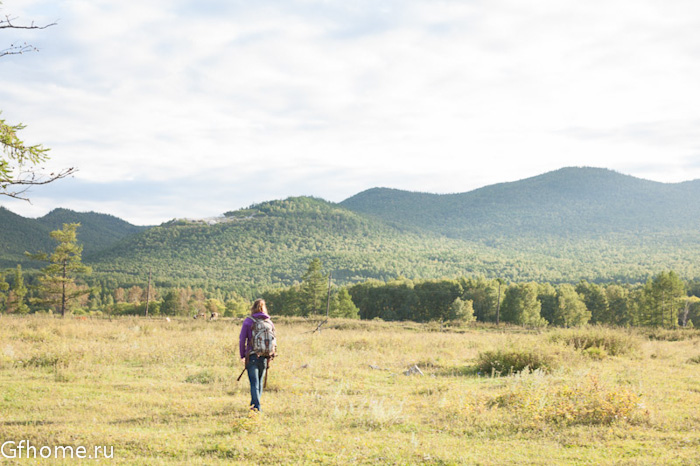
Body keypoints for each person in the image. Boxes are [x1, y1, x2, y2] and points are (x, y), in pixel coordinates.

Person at [239, 299, 275, 411]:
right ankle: (254, 405)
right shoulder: (269, 322)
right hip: (265, 355)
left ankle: (256, 408)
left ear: (253, 308)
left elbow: (242, 340)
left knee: (254, 383)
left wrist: (242, 355)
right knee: (259, 382)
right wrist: (271, 354)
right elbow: (274, 339)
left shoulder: (248, 321)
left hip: (252, 355)